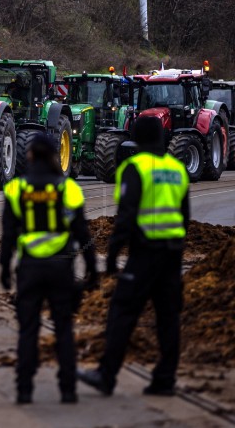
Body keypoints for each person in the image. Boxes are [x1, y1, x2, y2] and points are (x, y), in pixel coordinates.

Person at [78, 116, 189, 397]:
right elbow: (184, 216)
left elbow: (126, 216)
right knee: (168, 318)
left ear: (137, 139)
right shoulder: (177, 169)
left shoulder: (135, 168)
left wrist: (113, 255)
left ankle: (106, 375)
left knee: (122, 312)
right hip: (172, 255)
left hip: (144, 255)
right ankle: (165, 379)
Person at [0, 133, 97, 405]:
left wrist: (4, 267)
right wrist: (92, 268)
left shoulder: (16, 189)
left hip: (30, 268)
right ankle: (68, 389)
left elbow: (8, 234)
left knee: (28, 330)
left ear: (30, 155)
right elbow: (83, 233)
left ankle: (24, 390)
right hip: (61, 268)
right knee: (63, 329)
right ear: (55, 155)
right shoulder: (68, 189)